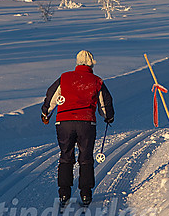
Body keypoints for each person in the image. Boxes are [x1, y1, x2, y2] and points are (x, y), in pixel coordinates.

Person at [41, 50, 114, 206]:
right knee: (86, 157)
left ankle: (64, 193)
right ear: (91, 64)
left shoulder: (64, 78)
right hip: (86, 123)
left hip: (64, 122)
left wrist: (45, 113)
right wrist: (108, 116)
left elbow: (51, 96)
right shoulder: (97, 81)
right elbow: (105, 102)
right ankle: (86, 194)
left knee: (65, 155)